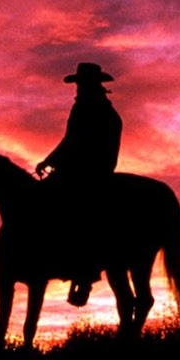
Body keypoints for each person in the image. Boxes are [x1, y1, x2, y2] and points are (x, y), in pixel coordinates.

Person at [35, 62, 122, 305]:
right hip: (83, 168)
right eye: (78, 84)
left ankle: (83, 272)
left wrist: (53, 161)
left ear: (92, 85)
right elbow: (70, 140)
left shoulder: (93, 109)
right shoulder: (94, 108)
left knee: (75, 213)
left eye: (81, 84)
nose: (78, 88)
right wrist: (51, 160)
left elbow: (74, 141)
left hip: (90, 171)